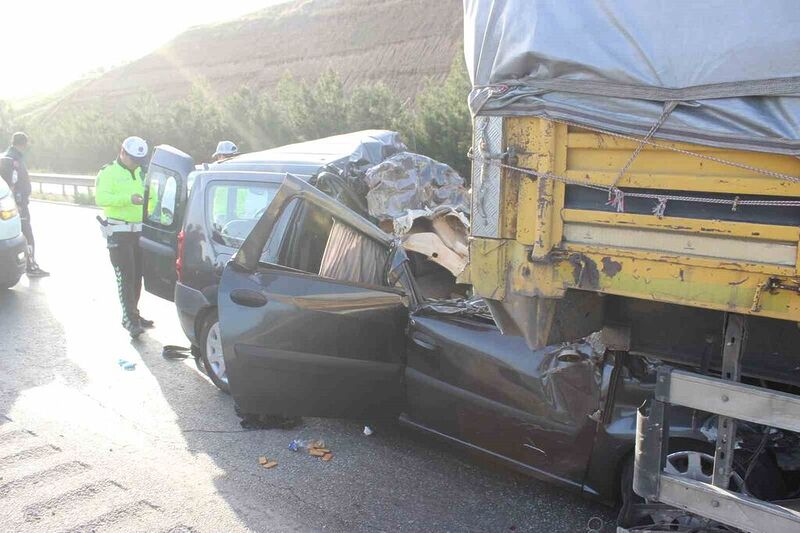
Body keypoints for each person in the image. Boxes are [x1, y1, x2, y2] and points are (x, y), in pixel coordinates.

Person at [95, 136, 153, 338]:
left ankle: (133, 313)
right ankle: (129, 318)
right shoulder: (108, 171)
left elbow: (151, 198)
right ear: (123, 152)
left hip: (140, 232)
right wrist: (128, 199)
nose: (136, 164)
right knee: (125, 276)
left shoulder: (142, 172)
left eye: (140, 160)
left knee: (138, 276)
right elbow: (101, 198)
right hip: (119, 232)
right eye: (134, 159)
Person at [0, 132, 49, 277]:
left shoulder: (4, 156)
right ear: (24, 144)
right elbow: (14, 184)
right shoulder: (14, 160)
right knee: (27, 234)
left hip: (8, 206)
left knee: (13, 237)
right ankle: (31, 265)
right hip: (17, 206)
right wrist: (19, 203)